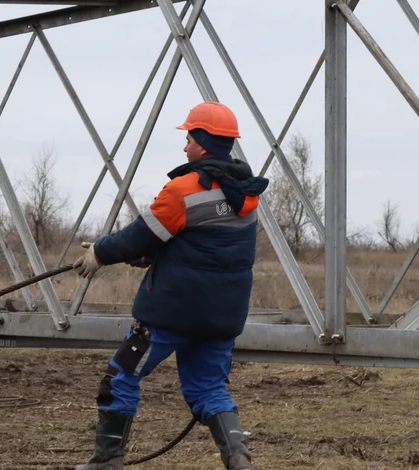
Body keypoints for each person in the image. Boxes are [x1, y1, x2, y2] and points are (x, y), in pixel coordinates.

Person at [72, 101, 268, 470]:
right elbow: (204, 246)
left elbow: (138, 237)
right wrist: (154, 255)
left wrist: (99, 253)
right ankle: (239, 459)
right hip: (222, 316)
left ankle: (107, 461)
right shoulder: (247, 196)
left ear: (204, 141)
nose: (185, 146)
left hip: (170, 314)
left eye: (189, 137)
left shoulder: (183, 190)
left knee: (121, 375)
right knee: (209, 388)